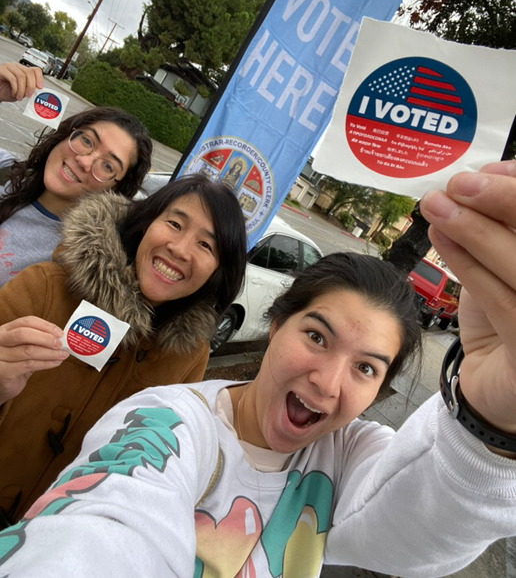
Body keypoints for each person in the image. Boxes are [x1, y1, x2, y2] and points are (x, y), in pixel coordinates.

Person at [1, 162, 516, 578]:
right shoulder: (171, 418)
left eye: (366, 368)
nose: (327, 381)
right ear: (275, 326)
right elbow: (109, 518)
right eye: (316, 336)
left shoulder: (352, 455)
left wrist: (489, 425)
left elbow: (419, 520)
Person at [0, 173, 247, 527]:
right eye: (175, 224)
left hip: (59, 542)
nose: (179, 249)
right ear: (146, 224)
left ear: (218, 273)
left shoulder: (189, 357)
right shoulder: (44, 287)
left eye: (207, 245)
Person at [0, 61, 153, 286]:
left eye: (108, 166)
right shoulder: (6, 168)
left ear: (116, 189)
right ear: (67, 134)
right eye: (86, 140)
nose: (84, 161)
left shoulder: (74, 264)